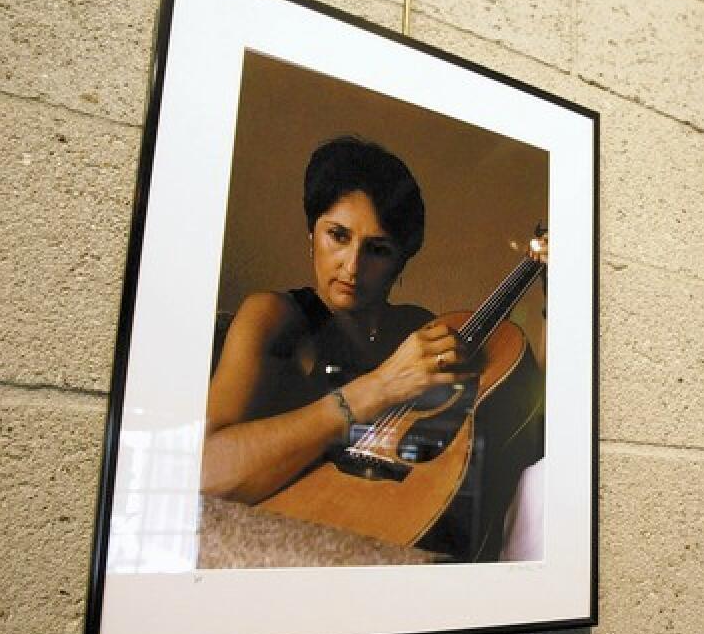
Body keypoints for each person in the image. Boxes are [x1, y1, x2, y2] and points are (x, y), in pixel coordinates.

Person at [200, 135, 544, 560]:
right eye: (337, 236)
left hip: (396, 526)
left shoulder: (418, 328)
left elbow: (519, 409)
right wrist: (380, 386)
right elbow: (205, 472)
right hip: (286, 535)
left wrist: (551, 307)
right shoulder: (275, 316)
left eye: (378, 250)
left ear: (402, 261)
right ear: (312, 233)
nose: (352, 265)